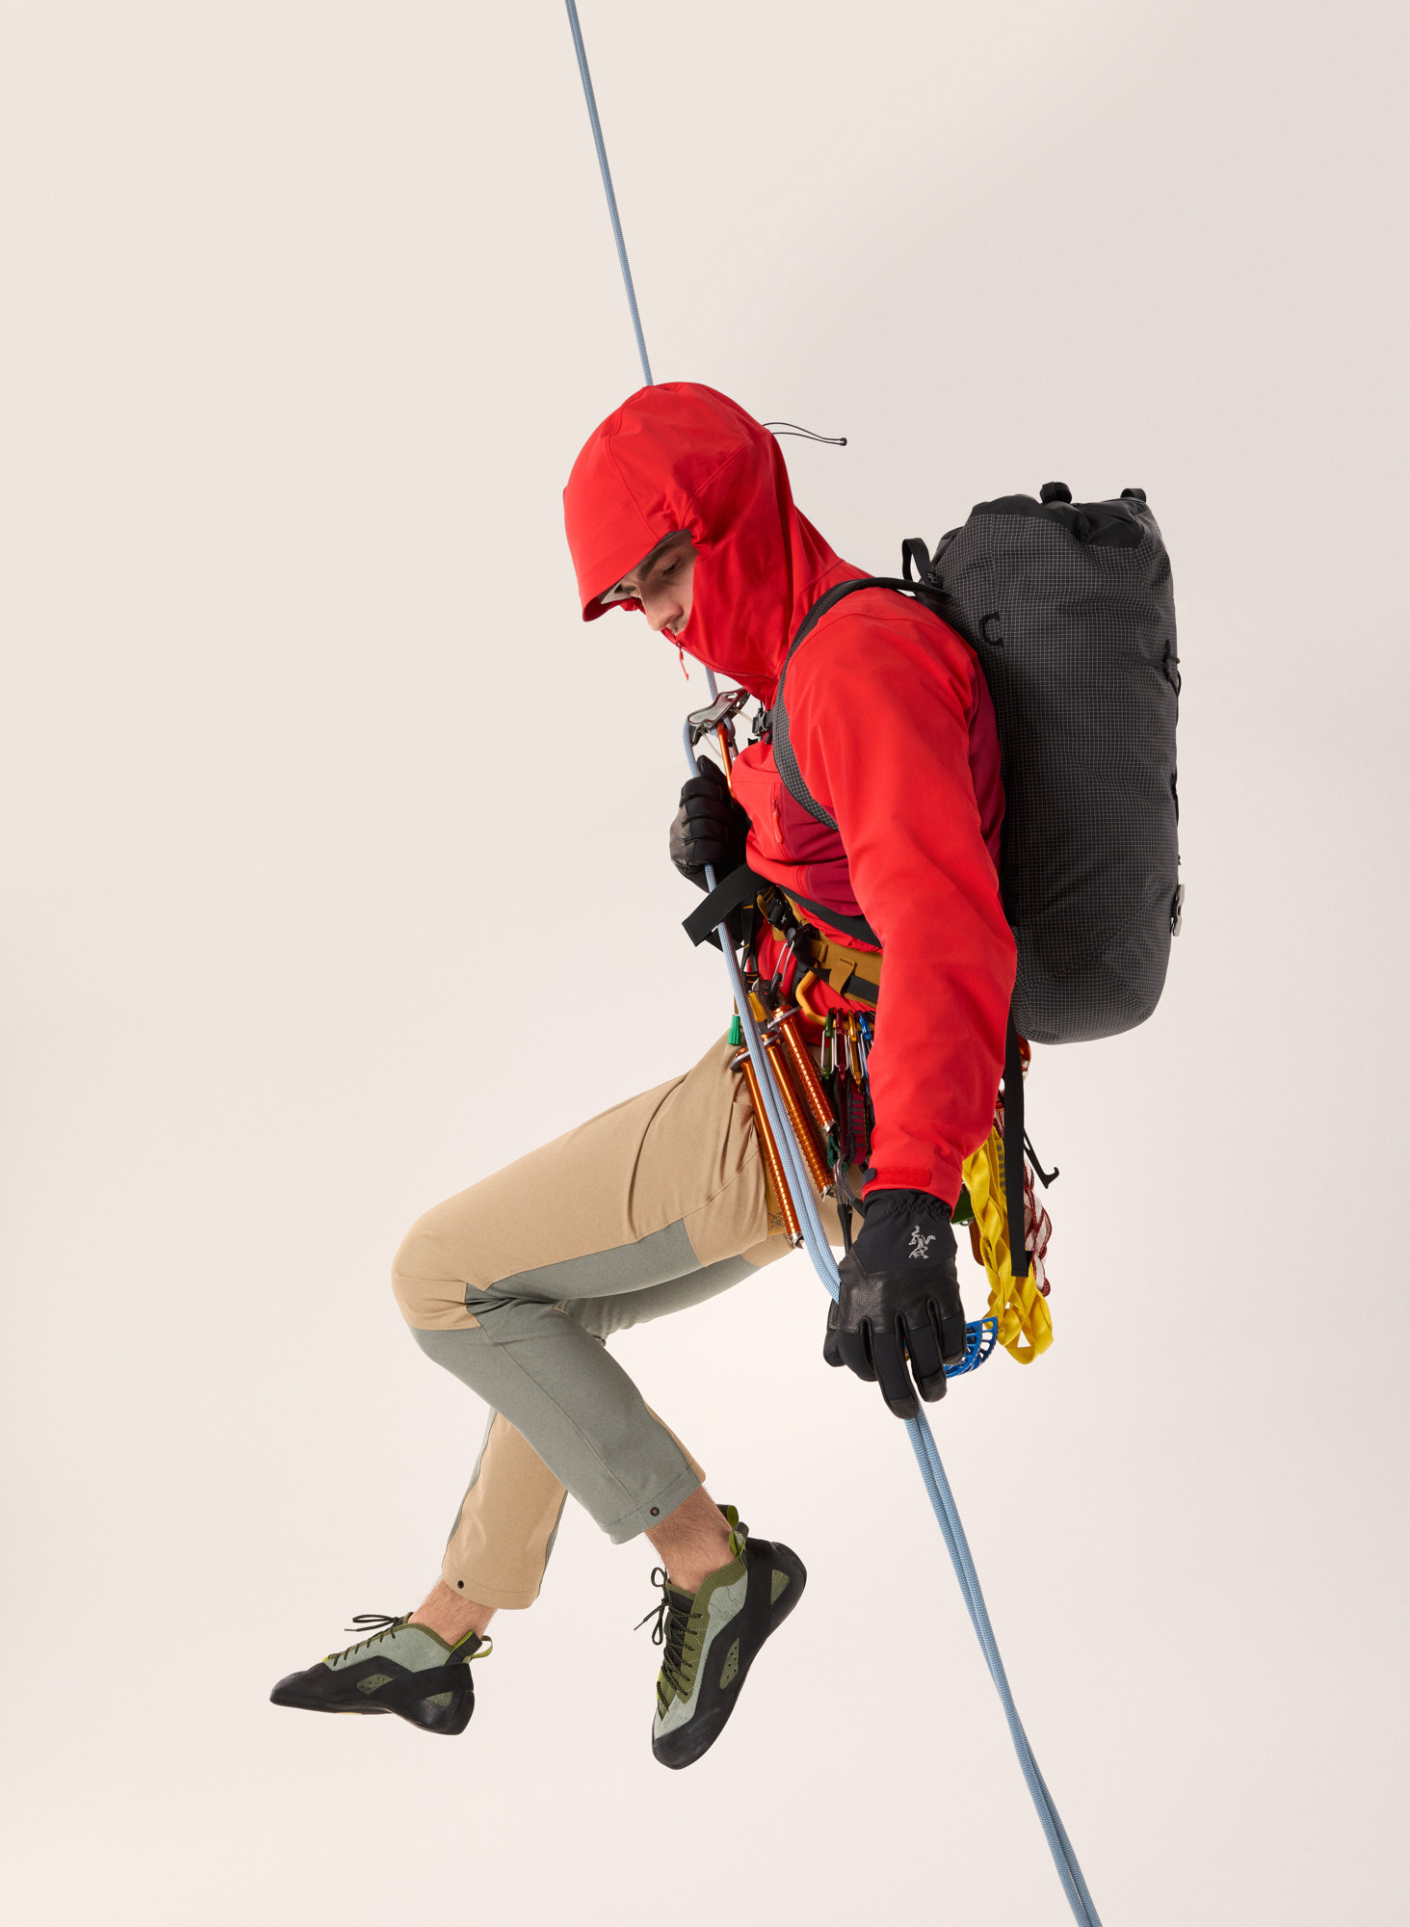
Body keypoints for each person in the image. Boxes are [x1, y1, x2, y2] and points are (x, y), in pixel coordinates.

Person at [270, 382, 1016, 1768]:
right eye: (633, 598)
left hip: (806, 1109)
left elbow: (945, 930)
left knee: (443, 1278)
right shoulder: (808, 662)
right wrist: (751, 840)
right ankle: (445, 1629)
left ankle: (710, 1566)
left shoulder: (851, 667)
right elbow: (859, 870)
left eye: (668, 570)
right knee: (539, 1311)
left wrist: (912, 1197)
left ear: (737, 518)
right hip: (802, 1081)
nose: (664, 618)